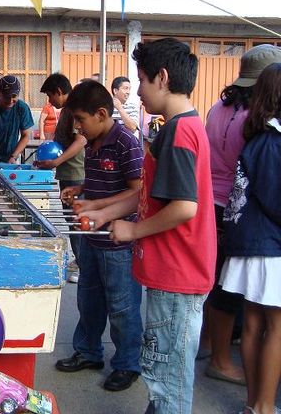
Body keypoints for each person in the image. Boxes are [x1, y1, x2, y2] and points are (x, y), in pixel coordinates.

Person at [80, 38, 216, 413]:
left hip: (179, 272)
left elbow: (185, 207)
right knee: (161, 374)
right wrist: (107, 213)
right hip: (170, 271)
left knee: (168, 379)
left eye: (141, 80)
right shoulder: (175, 127)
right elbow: (151, 196)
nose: (137, 91)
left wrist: (133, 230)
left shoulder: (180, 132)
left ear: (163, 77)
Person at [54, 80, 144, 393]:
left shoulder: (125, 143)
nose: (77, 127)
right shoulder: (92, 143)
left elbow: (136, 192)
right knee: (88, 301)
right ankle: (89, 352)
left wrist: (98, 206)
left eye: (80, 119)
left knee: (122, 307)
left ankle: (128, 363)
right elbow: (100, 182)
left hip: (118, 243)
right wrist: (80, 190)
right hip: (92, 239)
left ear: (102, 113)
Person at [202, 44, 281, 386]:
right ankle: (220, 360)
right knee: (234, 296)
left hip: (216, 205)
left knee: (220, 285)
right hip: (246, 213)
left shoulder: (219, 108)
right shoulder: (258, 123)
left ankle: (210, 347)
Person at [220, 63, 281, 414]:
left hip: (251, 242)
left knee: (255, 324)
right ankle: (264, 405)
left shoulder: (258, 137)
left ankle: (254, 403)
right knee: (273, 327)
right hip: (268, 245)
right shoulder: (273, 142)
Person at [37, 73, 86, 284]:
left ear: (59, 91)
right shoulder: (67, 109)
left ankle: (84, 265)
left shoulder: (74, 108)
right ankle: (80, 261)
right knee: (70, 220)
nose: (50, 101)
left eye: (50, 96)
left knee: (76, 221)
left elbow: (81, 140)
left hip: (75, 174)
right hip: (68, 173)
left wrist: (57, 161)